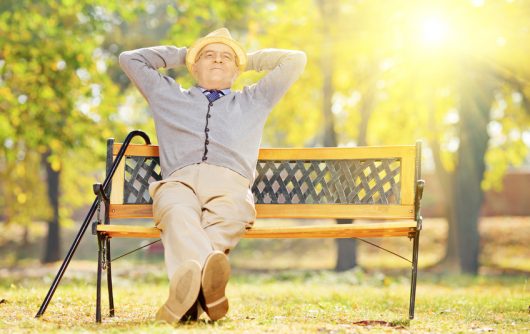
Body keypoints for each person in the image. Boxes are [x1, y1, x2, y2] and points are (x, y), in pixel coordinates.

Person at [119, 28, 306, 323]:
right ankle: (209, 289)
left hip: (230, 183)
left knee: (233, 212)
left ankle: (187, 298)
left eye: (226, 58)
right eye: (209, 56)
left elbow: (295, 59)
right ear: (194, 67)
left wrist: (246, 58)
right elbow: (130, 59)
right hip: (179, 181)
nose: (218, 60)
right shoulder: (166, 94)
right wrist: (185, 53)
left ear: (237, 69)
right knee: (174, 210)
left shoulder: (255, 99)